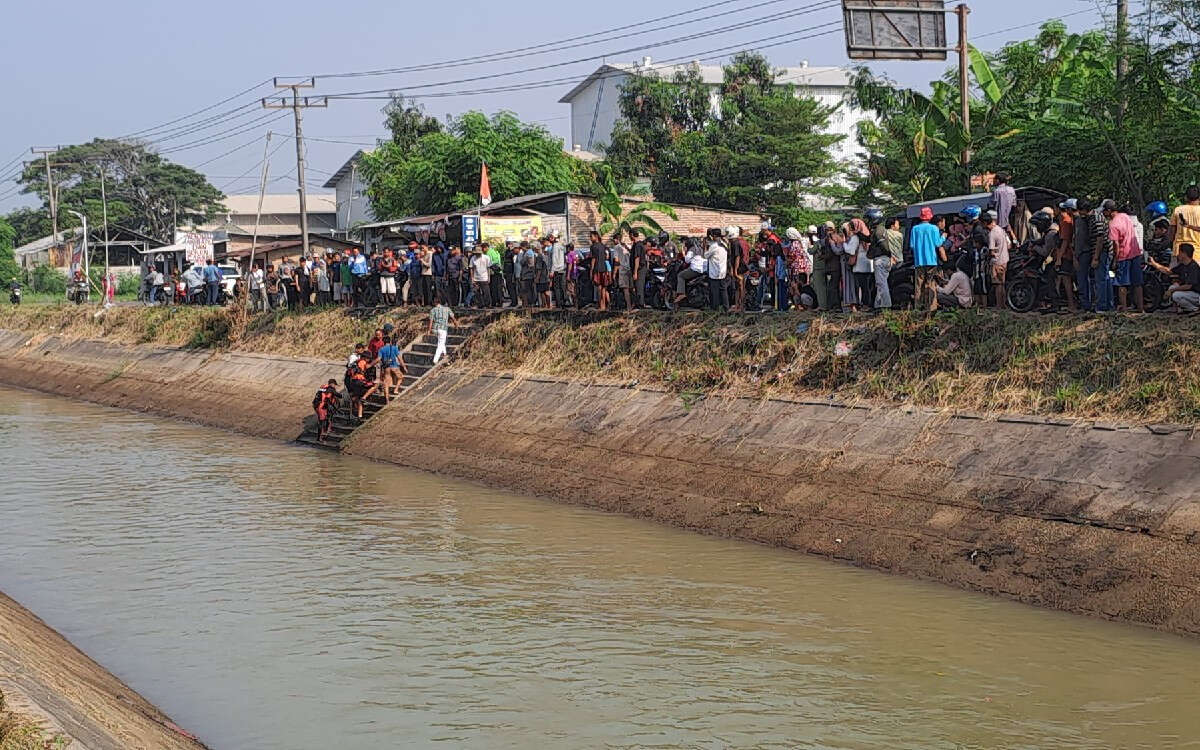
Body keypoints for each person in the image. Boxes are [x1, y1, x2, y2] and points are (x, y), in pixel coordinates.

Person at [1107, 199, 1144, 312]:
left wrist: (1115, 260)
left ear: (1109, 211)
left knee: (1121, 284)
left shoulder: (1113, 224)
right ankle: (1141, 309)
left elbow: (1116, 245)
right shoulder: (1126, 217)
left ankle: (1124, 309)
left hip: (1123, 256)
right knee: (1137, 283)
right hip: (1135, 253)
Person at [1147, 242, 1200, 312]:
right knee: (1173, 287)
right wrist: (1154, 264)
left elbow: (1188, 286)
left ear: (1184, 254)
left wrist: (1171, 291)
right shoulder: (1183, 265)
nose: (1178, 255)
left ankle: (1194, 309)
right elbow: (1168, 271)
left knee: (1176, 295)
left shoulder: (1193, 267)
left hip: (1196, 294)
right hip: (1189, 293)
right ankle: (1175, 308)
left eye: (1179, 252)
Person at [910, 206, 945, 310]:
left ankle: (918, 307)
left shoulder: (914, 229)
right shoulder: (934, 228)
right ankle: (931, 307)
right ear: (930, 217)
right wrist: (943, 237)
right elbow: (938, 243)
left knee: (918, 285)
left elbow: (912, 245)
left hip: (919, 261)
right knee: (930, 284)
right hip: (931, 261)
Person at [1089, 200, 1115, 312]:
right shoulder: (1101, 217)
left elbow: (1100, 239)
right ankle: (1109, 305)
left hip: (1103, 252)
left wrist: (1095, 257)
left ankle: (1102, 306)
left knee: (1101, 279)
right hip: (1106, 251)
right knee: (1106, 278)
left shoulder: (1098, 219)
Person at [982, 210, 1010, 308]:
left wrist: (988, 257)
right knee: (1002, 284)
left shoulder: (992, 234)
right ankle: (1003, 304)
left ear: (985, 223)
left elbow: (992, 251)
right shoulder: (1000, 229)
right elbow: (1009, 244)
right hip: (1005, 259)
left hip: (997, 262)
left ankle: (999, 305)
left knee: (998, 284)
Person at [1054, 199, 1078, 312]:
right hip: (1069, 253)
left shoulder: (1065, 221)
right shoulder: (1069, 219)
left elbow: (1065, 240)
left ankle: (1071, 304)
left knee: (1066, 279)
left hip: (1066, 255)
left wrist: (1059, 258)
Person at [674, 235, 707, 304]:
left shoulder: (692, 249)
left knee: (680, 275)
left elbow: (687, 260)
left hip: (696, 269)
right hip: (704, 269)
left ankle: (681, 293)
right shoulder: (701, 249)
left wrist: (684, 253)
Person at [1168, 185, 1200, 256]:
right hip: (1197, 253)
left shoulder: (1178, 210)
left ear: (1186, 197)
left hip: (1179, 252)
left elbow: (1171, 234)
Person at [704, 229, 729, 312]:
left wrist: (704, 247)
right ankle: (726, 308)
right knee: (723, 291)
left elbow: (705, 256)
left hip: (714, 272)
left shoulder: (714, 246)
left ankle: (715, 309)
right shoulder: (724, 244)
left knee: (714, 292)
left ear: (714, 236)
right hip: (722, 271)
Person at [376, 335, 407, 402]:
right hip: (394, 366)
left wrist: (373, 365)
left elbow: (378, 359)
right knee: (400, 377)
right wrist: (404, 366)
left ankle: (387, 399)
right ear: (390, 341)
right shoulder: (394, 348)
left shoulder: (381, 349)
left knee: (386, 383)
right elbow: (399, 358)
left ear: (383, 342)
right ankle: (396, 390)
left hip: (386, 368)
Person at [429, 293, 458, 364]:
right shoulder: (447, 309)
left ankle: (444, 354)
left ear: (435, 302)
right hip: (443, 328)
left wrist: (429, 330)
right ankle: (435, 360)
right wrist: (456, 325)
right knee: (441, 343)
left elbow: (431, 322)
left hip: (435, 329)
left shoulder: (433, 310)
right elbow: (453, 318)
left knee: (441, 341)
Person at [992, 171, 1018, 243]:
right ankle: (1015, 243)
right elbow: (1014, 204)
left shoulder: (997, 191)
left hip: (999, 218)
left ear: (998, 180)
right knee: (1009, 230)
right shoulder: (1011, 190)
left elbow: (993, 204)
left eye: (994, 179)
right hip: (1009, 216)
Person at [589, 231, 611, 311]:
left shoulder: (593, 247)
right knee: (604, 288)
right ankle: (604, 305)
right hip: (604, 268)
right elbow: (606, 258)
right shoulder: (603, 246)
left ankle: (600, 305)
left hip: (597, 268)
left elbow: (593, 259)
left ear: (596, 236)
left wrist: (591, 270)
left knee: (599, 287)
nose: (590, 238)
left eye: (591, 237)